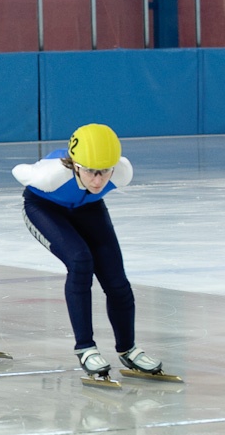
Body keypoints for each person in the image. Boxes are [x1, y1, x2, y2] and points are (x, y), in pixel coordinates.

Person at [11, 123, 162, 378]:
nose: (98, 180)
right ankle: (85, 348)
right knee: (80, 261)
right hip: (44, 207)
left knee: (117, 281)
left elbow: (104, 177)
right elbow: (18, 170)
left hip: (88, 208)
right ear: (75, 165)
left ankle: (128, 348)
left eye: (105, 172)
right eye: (91, 172)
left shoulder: (122, 172)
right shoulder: (49, 175)